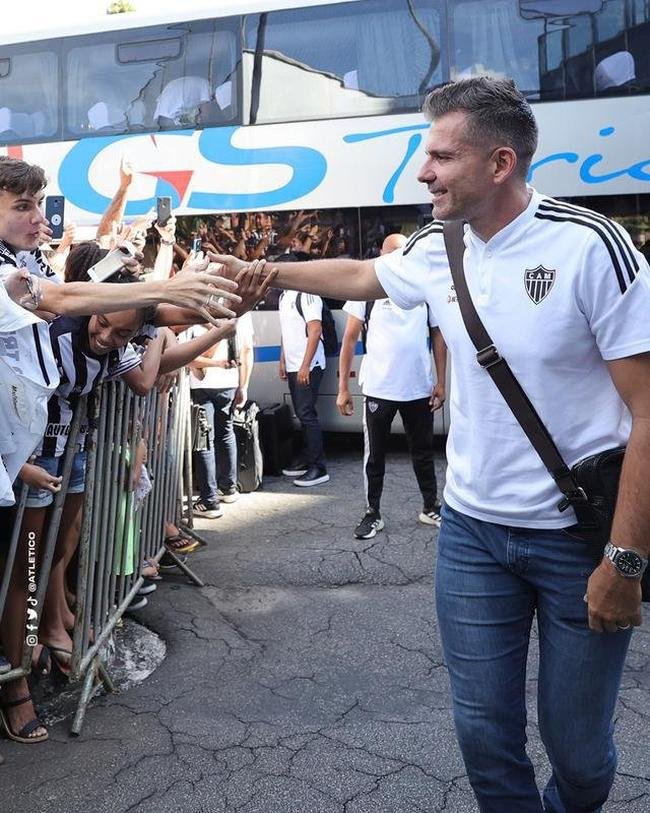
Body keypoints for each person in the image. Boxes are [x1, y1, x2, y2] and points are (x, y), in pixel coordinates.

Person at [213, 77, 650, 813]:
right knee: (484, 737)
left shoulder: (590, 247)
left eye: (441, 158)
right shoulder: (434, 245)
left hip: (579, 540)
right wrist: (260, 273)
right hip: (473, 537)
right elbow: (359, 274)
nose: (424, 173)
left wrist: (626, 560)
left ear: (500, 164)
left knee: (576, 750)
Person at [337, 233, 447, 539]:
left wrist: (441, 381)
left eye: (403, 253)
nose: (398, 260)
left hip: (418, 388)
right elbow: (349, 339)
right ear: (382, 256)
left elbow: (439, 336)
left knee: (423, 452)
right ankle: (373, 513)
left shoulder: (423, 287)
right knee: (375, 457)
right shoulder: (366, 290)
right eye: (392, 254)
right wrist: (343, 388)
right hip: (379, 389)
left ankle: (430, 507)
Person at [188, 313, 255, 517]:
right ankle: (228, 488)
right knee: (226, 433)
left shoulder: (198, 308)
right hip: (229, 380)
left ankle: (209, 501)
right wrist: (243, 386)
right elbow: (246, 350)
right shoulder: (242, 311)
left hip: (201, 383)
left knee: (204, 440)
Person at [279, 289, 329, 487]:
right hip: (294, 365)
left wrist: (305, 365)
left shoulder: (307, 294)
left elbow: (315, 330)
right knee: (303, 414)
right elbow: (285, 331)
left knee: (306, 414)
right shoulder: (284, 296)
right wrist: (282, 360)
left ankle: (319, 467)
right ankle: (308, 459)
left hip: (308, 365)